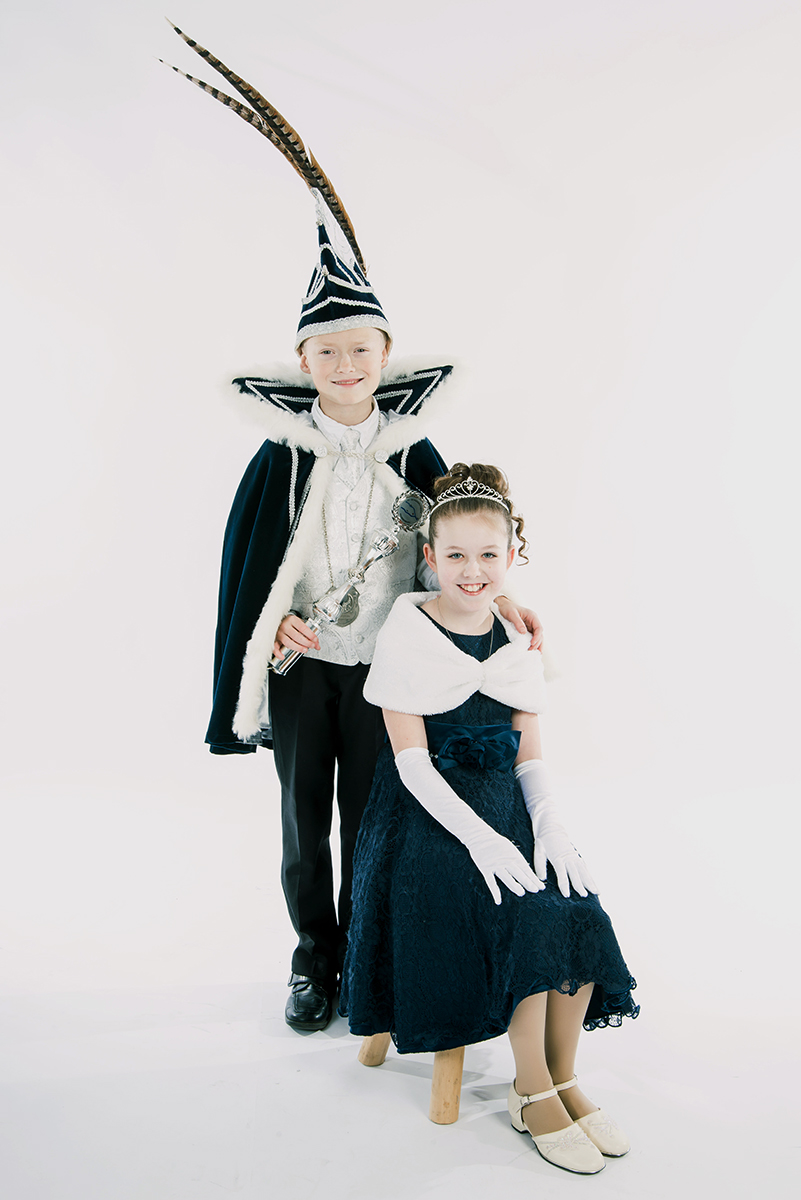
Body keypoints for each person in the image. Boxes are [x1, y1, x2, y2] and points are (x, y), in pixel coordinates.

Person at [161, 26, 543, 1033]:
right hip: (302, 666)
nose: (344, 366)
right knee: (303, 824)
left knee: (378, 815)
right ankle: (313, 959)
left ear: (384, 354)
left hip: (386, 666)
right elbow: (247, 569)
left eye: (359, 348)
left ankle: (372, 955)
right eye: (325, 351)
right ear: (303, 361)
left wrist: (501, 597)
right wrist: (270, 626)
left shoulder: (416, 452)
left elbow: (463, 536)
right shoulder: (277, 460)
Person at [340, 463, 638, 1176]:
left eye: (487, 555)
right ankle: (530, 1089)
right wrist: (479, 840)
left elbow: (529, 755)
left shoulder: (516, 635)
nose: (472, 572)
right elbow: (411, 764)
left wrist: (550, 826)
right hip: (425, 814)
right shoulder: (407, 633)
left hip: (502, 799)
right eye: (455, 555)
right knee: (520, 914)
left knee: (576, 906)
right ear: (430, 557)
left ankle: (562, 1077)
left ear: (511, 557)